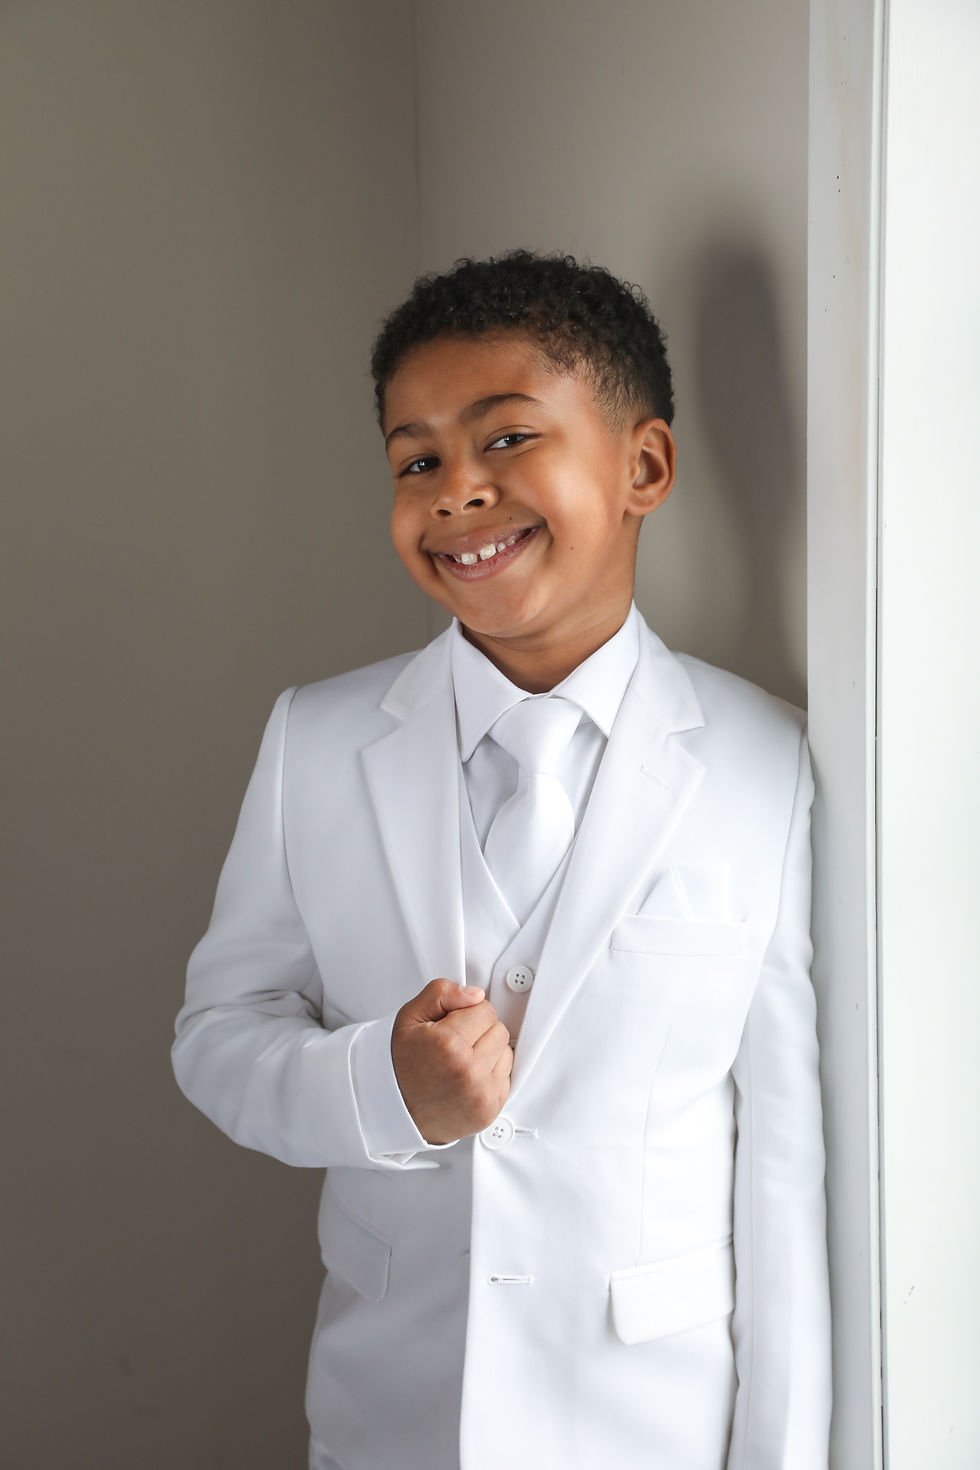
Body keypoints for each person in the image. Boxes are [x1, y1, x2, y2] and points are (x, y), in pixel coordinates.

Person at [173, 251, 831, 1470]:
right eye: (415, 459)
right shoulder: (312, 743)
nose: (456, 492)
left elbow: (783, 1175)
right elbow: (217, 1035)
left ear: (644, 467)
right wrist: (382, 1091)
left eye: (506, 440)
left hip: (654, 1431)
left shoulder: (769, 767)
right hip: (391, 1416)